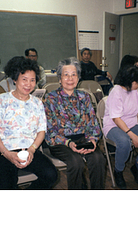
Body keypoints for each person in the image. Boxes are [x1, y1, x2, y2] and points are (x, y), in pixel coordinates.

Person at [0, 57, 57, 189]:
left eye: (32, 80)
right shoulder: (1, 100)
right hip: (2, 151)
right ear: (14, 79)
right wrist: (7, 153)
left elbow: (41, 131)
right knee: (6, 184)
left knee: (51, 175)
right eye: (24, 79)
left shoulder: (37, 103)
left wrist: (32, 149)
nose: (28, 84)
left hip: (28, 150)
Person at [44, 57, 106, 189]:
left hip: (83, 138)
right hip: (60, 141)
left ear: (78, 78)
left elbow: (93, 124)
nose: (70, 78)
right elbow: (50, 131)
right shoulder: (51, 98)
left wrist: (93, 139)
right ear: (59, 78)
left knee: (98, 159)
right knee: (76, 162)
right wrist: (68, 143)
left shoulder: (85, 97)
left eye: (74, 75)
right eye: (66, 75)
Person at [103, 65, 138, 189]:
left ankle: (137, 167)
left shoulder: (134, 91)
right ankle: (118, 171)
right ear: (131, 82)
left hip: (131, 124)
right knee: (124, 142)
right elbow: (116, 118)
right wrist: (133, 136)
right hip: (113, 125)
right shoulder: (116, 91)